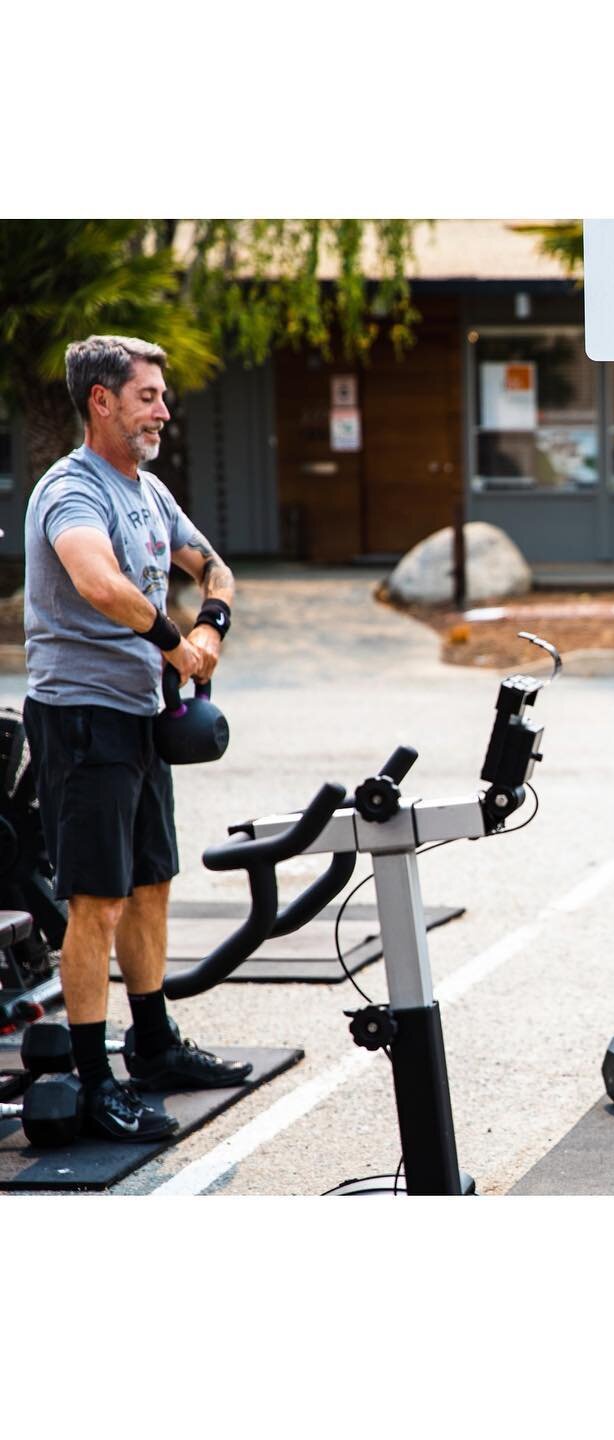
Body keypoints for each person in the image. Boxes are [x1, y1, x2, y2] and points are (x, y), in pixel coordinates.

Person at [22, 334, 250, 1144]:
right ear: (102, 402)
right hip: (83, 718)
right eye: (148, 395)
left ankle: (154, 1047)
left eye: (161, 395)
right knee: (98, 901)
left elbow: (212, 567)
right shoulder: (71, 493)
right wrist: (173, 641)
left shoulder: (149, 493)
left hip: (140, 716)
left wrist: (211, 630)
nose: (162, 408)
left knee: (152, 881)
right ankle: (94, 1081)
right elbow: (97, 581)